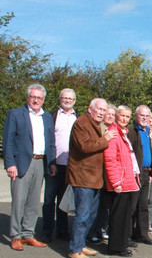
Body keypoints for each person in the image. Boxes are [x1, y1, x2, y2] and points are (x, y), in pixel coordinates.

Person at [4, 84, 56, 251]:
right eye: (33, 97)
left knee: (34, 201)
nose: (36, 100)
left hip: (40, 162)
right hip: (21, 163)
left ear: (43, 100)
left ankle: (28, 234)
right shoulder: (16, 114)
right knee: (19, 200)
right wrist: (10, 163)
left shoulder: (47, 117)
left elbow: (51, 142)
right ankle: (16, 236)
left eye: (39, 98)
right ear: (28, 97)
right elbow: (8, 141)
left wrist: (52, 162)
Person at [67, 98, 117, 258]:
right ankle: (75, 250)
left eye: (104, 110)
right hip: (83, 177)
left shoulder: (95, 125)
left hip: (95, 179)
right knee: (82, 215)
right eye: (99, 109)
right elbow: (85, 146)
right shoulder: (81, 123)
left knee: (90, 215)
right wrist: (106, 139)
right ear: (90, 109)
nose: (102, 113)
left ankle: (81, 245)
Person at [42, 88, 78, 243]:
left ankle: (62, 231)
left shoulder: (78, 117)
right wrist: (51, 161)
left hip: (70, 166)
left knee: (64, 200)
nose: (67, 100)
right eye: (64, 98)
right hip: (54, 164)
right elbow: (47, 141)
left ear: (74, 100)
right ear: (60, 99)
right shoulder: (52, 116)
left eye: (70, 98)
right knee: (50, 199)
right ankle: (47, 231)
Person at [104, 105, 140, 257]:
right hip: (120, 182)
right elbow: (110, 160)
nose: (124, 119)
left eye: (127, 117)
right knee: (118, 216)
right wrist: (116, 182)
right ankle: (116, 247)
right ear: (116, 116)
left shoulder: (122, 133)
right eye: (122, 116)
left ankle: (121, 244)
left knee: (124, 216)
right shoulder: (113, 133)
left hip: (127, 181)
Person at [128, 105, 152, 246]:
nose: (145, 118)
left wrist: (150, 171)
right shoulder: (131, 131)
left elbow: (149, 152)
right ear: (136, 116)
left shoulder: (147, 131)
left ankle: (142, 234)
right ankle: (127, 236)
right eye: (142, 115)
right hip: (135, 174)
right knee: (131, 207)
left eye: (147, 116)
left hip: (146, 173)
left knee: (143, 206)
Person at [87, 104, 117, 244]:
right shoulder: (100, 129)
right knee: (96, 206)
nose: (110, 116)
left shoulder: (115, 130)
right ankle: (91, 232)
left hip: (109, 175)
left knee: (105, 206)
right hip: (97, 173)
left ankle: (101, 229)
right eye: (108, 113)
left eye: (113, 114)